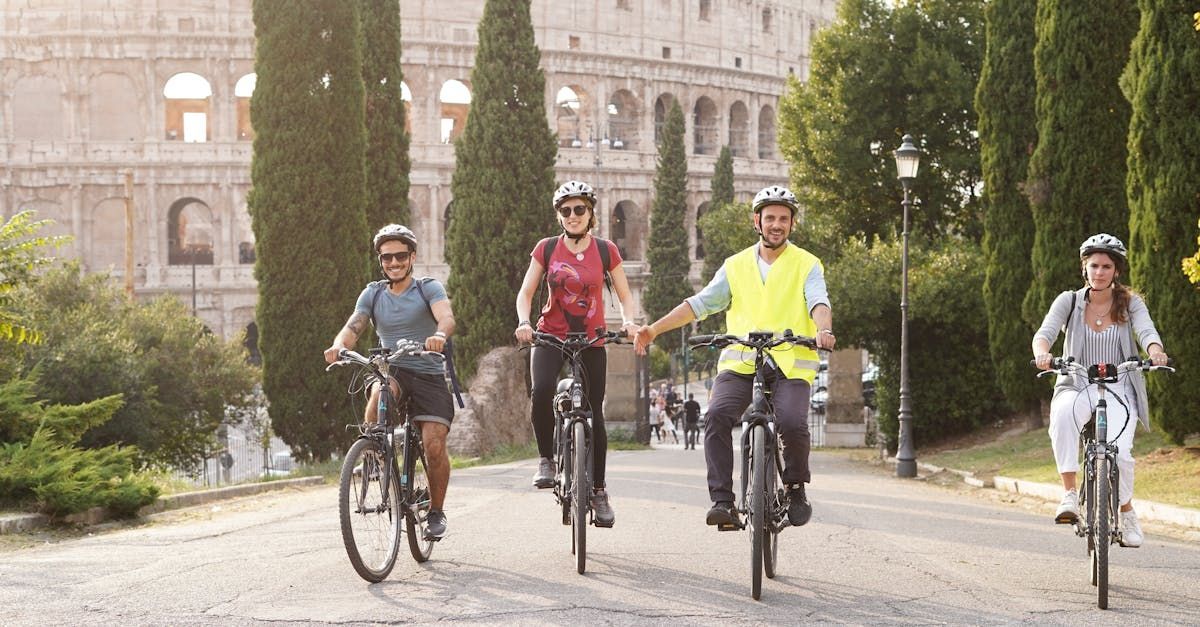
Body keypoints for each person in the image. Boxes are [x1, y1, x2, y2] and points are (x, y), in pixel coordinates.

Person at [634, 185, 835, 528]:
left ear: (792, 224)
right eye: (770, 217)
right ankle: (723, 501)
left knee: (791, 422)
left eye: (783, 219)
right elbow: (700, 304)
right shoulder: (736, 265)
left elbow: (818, 300)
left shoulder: (807, 264)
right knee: (716, 415)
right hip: (741, 359)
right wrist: (654, 329)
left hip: (790, 361)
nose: (776, 224)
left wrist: (823, 329)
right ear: (756, 221)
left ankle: (796, 486)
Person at [1032, 233, 1169, 549]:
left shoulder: (1130, 303)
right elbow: (1045, 333)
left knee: (1120, 453)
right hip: (1077, 381)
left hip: (1118, 385)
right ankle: (1069, 494)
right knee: (1062, 416)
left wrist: (1155, 349)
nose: (1099, 272)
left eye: (1106, 266)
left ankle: (1127, 512)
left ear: (1116, 271)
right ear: (1085, 268)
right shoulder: (1068, 301)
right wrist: (1043, 353)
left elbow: (1146, 330)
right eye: (1093, 265)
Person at [514, 180, 638, 528]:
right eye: (565, 210)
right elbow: (526, 292)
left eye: (579, 209)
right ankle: (546, 462)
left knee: (594, 414)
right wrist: (524, 321)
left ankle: (598, 491)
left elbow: (625, 295)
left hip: (592, 339)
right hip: (550, 335)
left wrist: (629, 322)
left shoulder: (605, 250)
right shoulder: (547, 248)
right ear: (559, 216)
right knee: (540, 393)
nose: (572, 216)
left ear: (590, 214)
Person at [324, 224, 457, 539]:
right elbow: (353, 326)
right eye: (387, 258)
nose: (393, 263)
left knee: (434, 445)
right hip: (392, 368)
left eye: (400, 256)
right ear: (380, 261)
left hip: (427, 371)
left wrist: (439, 335)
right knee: (379, 393)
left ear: (411, 257)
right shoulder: (373, 293)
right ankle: (373, 456)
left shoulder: (428, 288)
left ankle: (436, 511)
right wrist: (339, 345)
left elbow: (446, 317)